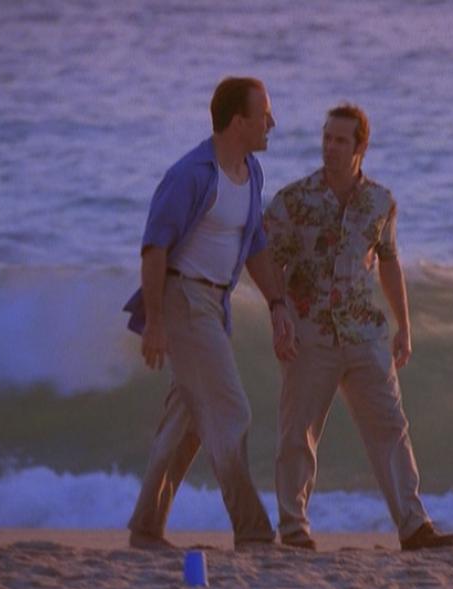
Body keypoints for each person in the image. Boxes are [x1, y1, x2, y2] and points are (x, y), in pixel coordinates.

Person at [264, 103, 453, 551]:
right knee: (298, 434)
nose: (330, 147)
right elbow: (269, 260)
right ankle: (294, 529)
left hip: (363, 331)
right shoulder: (293, 200)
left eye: (340, 140)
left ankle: (413, 526)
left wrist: (404, 325)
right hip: (310, 331)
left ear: (360, 147)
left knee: (390, 427)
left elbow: (389, 262)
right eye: (326, 138)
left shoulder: (380, 202)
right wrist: (279, 313)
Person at [122, 77, 295, 551]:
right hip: (182, 299)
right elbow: (154, 249)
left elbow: (254, 243)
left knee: (186, 422)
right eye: (264, 114)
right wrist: (156, 323)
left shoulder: (251, 171)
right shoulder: (191, 175)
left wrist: (277, 303)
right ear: (239, 121)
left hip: (216, 305)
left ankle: (145, 529)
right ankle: (253, 531)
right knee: (230, 410)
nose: (272, 123)